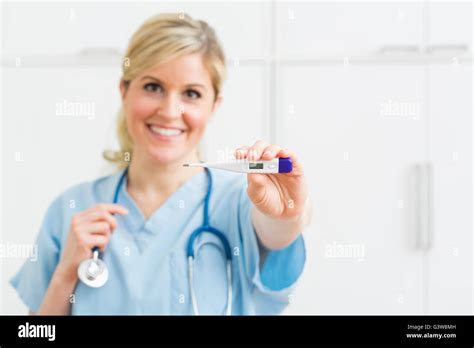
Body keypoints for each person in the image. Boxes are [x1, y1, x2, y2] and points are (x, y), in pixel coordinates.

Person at [10, 13, 311, 315]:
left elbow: (277, 230)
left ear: (214, 105)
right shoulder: (72, 209)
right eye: (153, 87)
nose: (169, 111)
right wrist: (65, 275)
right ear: (124, 91)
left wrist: (288, 213)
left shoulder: (238, 203)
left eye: (191, 94)